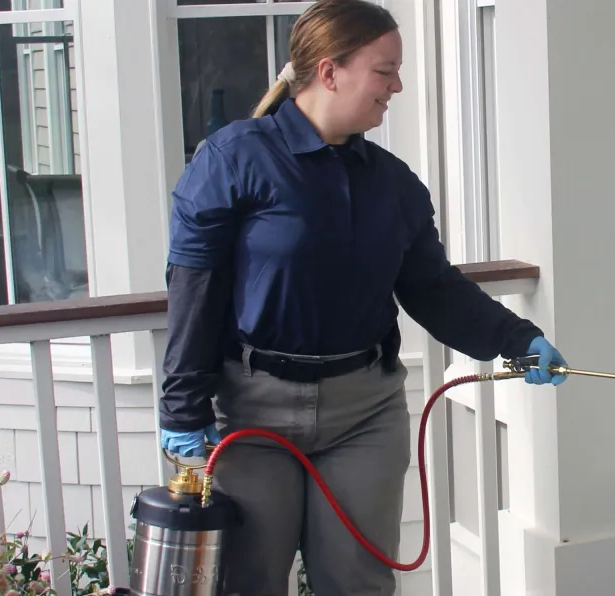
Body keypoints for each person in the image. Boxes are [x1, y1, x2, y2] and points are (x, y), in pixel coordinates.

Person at [157, 0, 567, 593]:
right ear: (330, 71)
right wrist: (181, 409)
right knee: (249, 580)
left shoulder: (394, 184)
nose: (396, 85)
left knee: (357, 583)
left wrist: (518, 339)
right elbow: (194, 292)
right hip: (250, 412)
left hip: (364, 415)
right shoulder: (233, 159)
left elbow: (433, 289)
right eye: (385, 70)